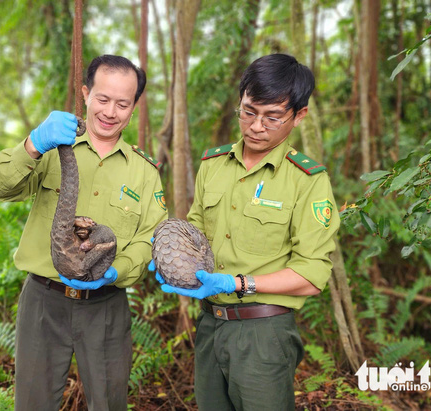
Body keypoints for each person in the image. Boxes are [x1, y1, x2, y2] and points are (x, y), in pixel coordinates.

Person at [152, 53, 339, 410]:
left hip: (264, 334)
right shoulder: (213, 165)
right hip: (210, 325)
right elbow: (197, 231)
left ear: (299, 116)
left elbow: (313, 276)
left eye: (272, 117)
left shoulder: (307, 181)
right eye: (249, 112)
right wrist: (171, 251)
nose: (255, 126)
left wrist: (239, 283)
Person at [0, 54, 167, 411]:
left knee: (109, 402)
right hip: (44, 300)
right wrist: (34, 143)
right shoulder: (54, 147)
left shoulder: (144, 171)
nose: (110, 111)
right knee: (33, 403)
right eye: (102, 99)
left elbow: (152, 237)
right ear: (86, 94)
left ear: (133, 107)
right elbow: (1, 188)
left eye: (122, 103)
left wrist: (118, 270)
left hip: (106, 305)